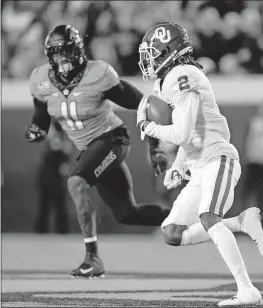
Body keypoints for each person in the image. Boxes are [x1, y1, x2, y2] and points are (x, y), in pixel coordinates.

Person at [137, 22, 263, 306]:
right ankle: (239, 222)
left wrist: (148, 127)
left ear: (168, 51)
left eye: (153, 53)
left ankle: (247, 290)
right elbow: (191, 134)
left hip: (218, 158)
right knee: (172, 233)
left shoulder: (183, 74)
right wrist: (179, 164)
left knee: (209, 217)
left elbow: (182, 133)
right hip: (199, 163)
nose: (148, 59)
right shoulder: (167, 80)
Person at [25, 24, 168, 278]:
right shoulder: (40, 80)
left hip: (112, 139)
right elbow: (41, 115)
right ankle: (188, 217)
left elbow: (144, 105)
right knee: (127, 213)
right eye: (57, 54)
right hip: (90, 148)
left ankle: (92, 257)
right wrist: (37, 129)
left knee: (76, 182)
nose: (63, 59)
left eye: (67, 52)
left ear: (79, 51)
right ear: (49, 57)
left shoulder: (98, 74)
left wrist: (155, 146)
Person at [242, 99, 263, 229]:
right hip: (253, 162)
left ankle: (262, 224)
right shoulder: (255, 122)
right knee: (249, 193)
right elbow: (249, 141)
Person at [35, 120, 73, 234]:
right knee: (45, 207)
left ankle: (61, 230)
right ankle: (43, 230)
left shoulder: (61, 143)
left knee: (59, 207)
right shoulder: (54, 142)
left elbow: (64, 162)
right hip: (49, 179)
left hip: (55, 180)